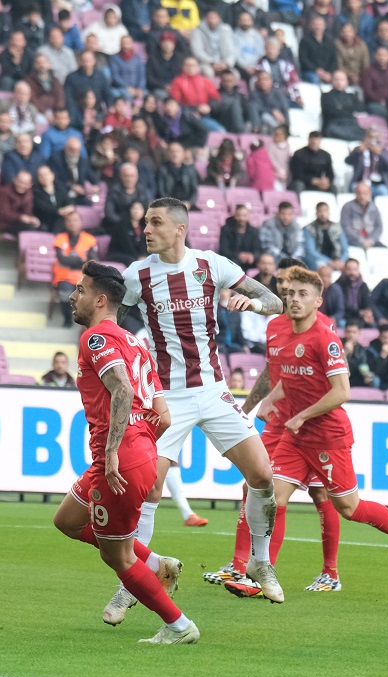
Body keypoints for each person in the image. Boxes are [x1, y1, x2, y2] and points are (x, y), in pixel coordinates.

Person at [108, 197, 284, 613]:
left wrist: (251, 303)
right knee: (149, 488)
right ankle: (137, 581)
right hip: (167, 396)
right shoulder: (138, 275)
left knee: (262, 474)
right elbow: (113, 321)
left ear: (179, 229)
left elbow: (274, 302)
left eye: (155, 222)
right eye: (144, 222)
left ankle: (260, 563)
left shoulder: (212, 265)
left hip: (213, 390)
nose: (146, 229)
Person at [224, 266, 388, 601]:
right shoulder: (277, 331)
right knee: (269, 497)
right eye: (289, 294)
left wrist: (301, 415)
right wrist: (264, 402)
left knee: (349, 507)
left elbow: (341, 392)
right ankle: (261, 573)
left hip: (327, 436)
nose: (293, 300)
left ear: (318, 300)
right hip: (295, 435)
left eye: (302, 294)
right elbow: (286, 377)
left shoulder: (325, 338)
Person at [47, 263, 197, 643]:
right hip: (141, 450)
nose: (72, 296)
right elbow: (163, 415)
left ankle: (179, 626)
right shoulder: (137, 344)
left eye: (79, 290)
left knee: (118, 558)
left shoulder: (95, 339)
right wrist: (141, 445)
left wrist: (116, 450)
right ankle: (157, 562)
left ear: (99, 300)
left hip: (118, 457)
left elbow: (123, 391)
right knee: (67, 520)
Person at [51, 210, 97, 328]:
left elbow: (92, 261)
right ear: (66, 223)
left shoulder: (89, 239)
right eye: (69, 221)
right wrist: (81, 260)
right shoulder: (60, 238)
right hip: (64, 277)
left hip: (84, 279)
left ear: (81, 223)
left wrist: (71, 260)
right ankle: (67, 319)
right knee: (64, 293)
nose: (72, 223)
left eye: (75, 220)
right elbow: (62, 260)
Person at [340, 182, 384, 249]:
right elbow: (346, 227)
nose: (362, 196)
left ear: (370, 194)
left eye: (365, 194)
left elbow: (379, 227)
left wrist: (371, 240)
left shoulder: (374, 208)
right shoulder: (347, 207)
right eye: (359, 193)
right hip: (353, 240)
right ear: (355, 194)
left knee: (384, 250)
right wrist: (361, 240)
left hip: (371, 241)